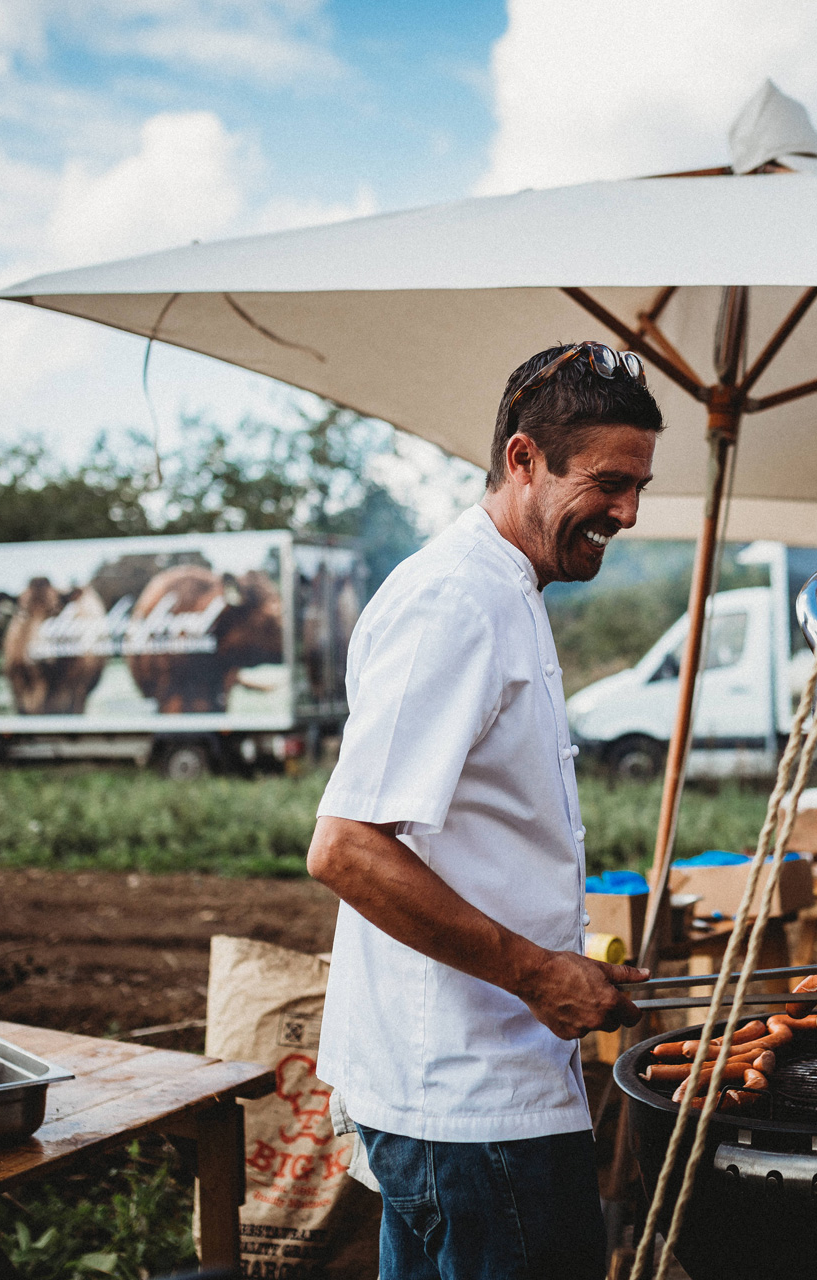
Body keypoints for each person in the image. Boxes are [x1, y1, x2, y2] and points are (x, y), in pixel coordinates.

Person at [307, 342, 662, 1279]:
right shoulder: (455, 601)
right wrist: (541, 976)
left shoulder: (509, 592)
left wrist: (560, 966)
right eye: (610, 482)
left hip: (481, 1088)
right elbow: (345, 849)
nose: (628, 512)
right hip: (467, 1100)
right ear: (522, 460)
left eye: (640, 486)